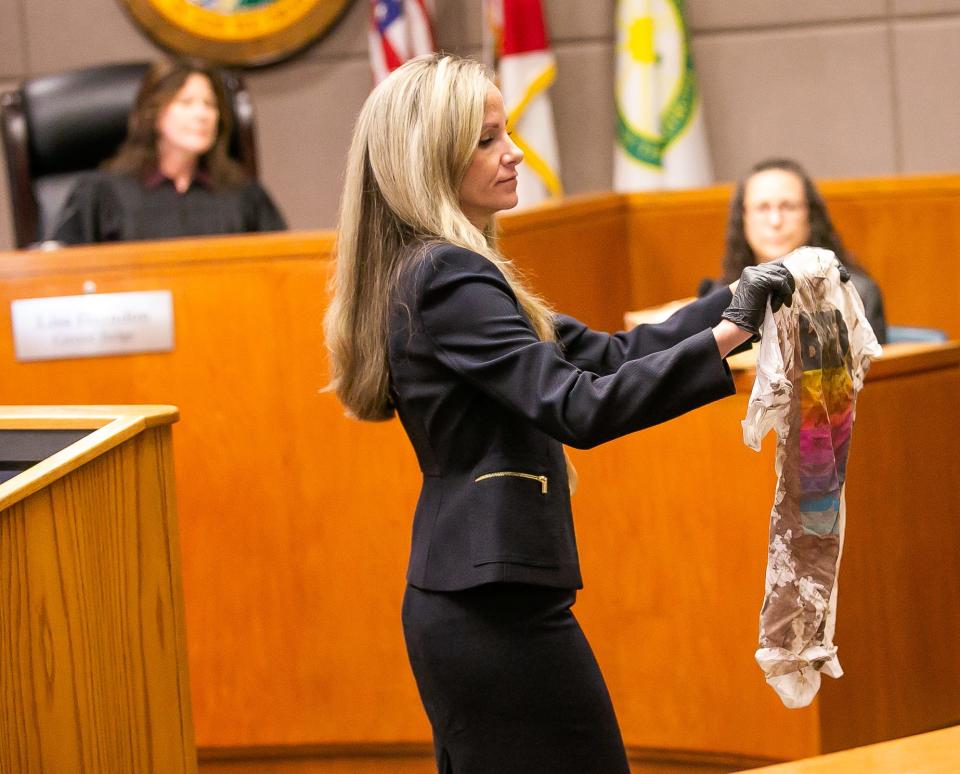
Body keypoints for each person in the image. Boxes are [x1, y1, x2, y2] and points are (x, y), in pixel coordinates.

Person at [324, 54, 796, 774]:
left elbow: (606, 353)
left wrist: (739, 298)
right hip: (490, 612)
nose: (513, 152)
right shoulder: (449, 275)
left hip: (479, 599)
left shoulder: (440, 268)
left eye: (504, 130)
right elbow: (579, 406)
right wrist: (727, 337)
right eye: (486, 139)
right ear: (431, 158)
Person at [53, 60, 286, 244]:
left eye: (210, 104)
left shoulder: (244, 195)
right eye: (186, 103)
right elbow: (59, 273)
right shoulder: (102, 194)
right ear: (153, 113)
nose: (201, 115)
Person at [706, 158, 887, 344]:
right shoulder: (718, 299)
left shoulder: (856, 294)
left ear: (810, 216)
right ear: (743, 217)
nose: (775, 221)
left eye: (789, 207)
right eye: (762, 208)